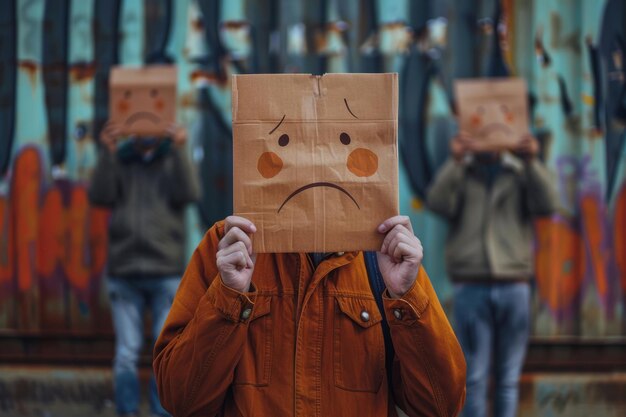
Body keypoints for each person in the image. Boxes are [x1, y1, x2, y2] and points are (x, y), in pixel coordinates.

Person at [153, 214, 467, 417]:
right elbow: (182, 398)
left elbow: (441, 406)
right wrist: (229, 295)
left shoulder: (384, 254)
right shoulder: (229, 247)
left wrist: (404, 295)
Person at [426, 133, 558, 417]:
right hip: (471, 286)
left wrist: (532, 161)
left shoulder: (520, 172)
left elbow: (548, 204)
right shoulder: (463, 172)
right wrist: (455, 161)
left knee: (508, 381)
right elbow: (437, 203)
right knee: (473, 379)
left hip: (515, 286)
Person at [89, 121, 200, 417]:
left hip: (165, 270)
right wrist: (108, 152)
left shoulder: (171, 157)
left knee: (164, 352)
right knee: (126, 354)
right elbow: (100, 196)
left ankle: (161, 412)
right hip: (125, 272)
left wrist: (179, 150)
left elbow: (189, 193)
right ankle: (127, 412)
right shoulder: (121, 159)